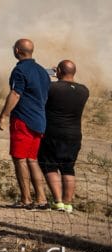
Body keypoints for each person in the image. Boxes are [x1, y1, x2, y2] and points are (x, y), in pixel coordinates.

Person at [0, 38, 51, 209]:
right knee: (32, 160)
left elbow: (15, 94)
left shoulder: (19, 70)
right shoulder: (42, 71)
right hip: (39, 120)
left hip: (23, 120)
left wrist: (3, 115)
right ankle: (41, 199)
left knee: (19, 159)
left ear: (18, 51)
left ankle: (25, 199)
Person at [39, 60, 88, 213]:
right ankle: (68, 204)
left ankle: (58, 201)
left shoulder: (52, 88)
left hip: (53, 132)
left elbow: (42, 99)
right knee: (68, 168)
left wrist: (48, 77)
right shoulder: (84, 90)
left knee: (50, 165)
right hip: (74, 134)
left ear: (59, 70)